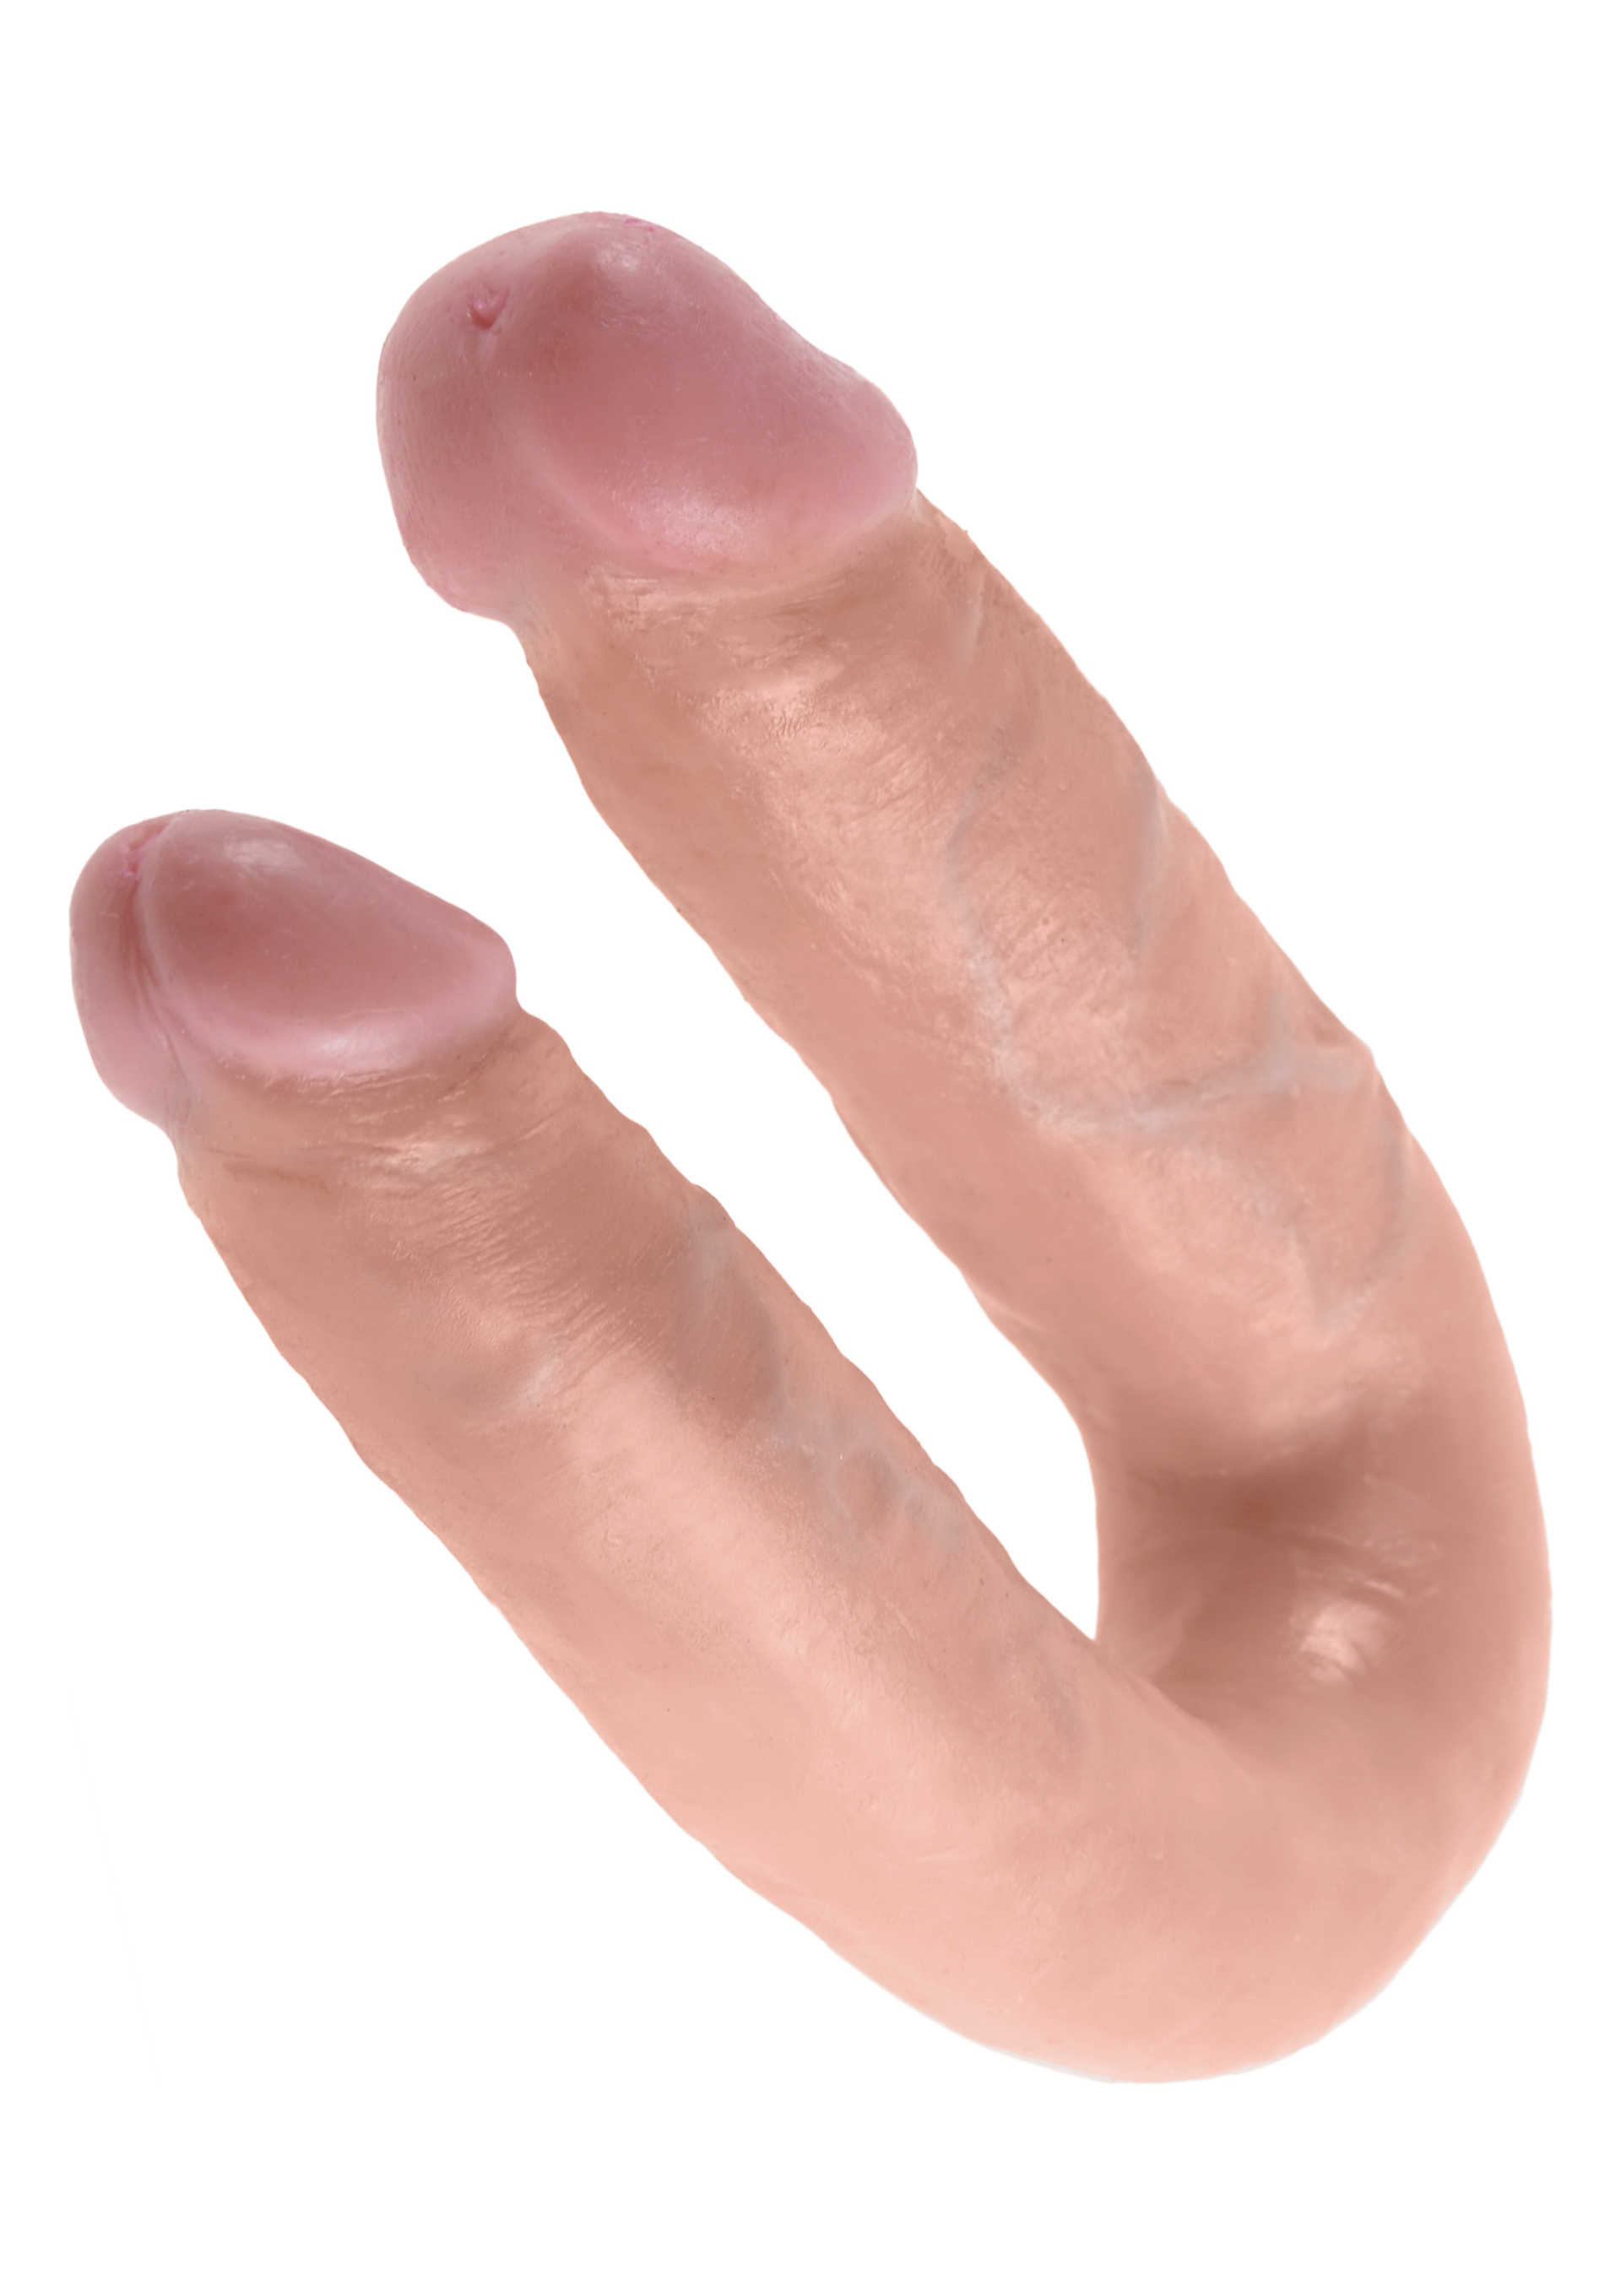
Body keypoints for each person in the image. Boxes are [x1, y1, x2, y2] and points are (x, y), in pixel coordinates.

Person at [69, 214, 1549, 2082]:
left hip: (1242, 1858)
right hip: (1271, 1799)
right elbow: (1319, 1432)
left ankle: (425, 1099)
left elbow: (1318, 1456)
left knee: (1113, 1878)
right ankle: (730, 602)